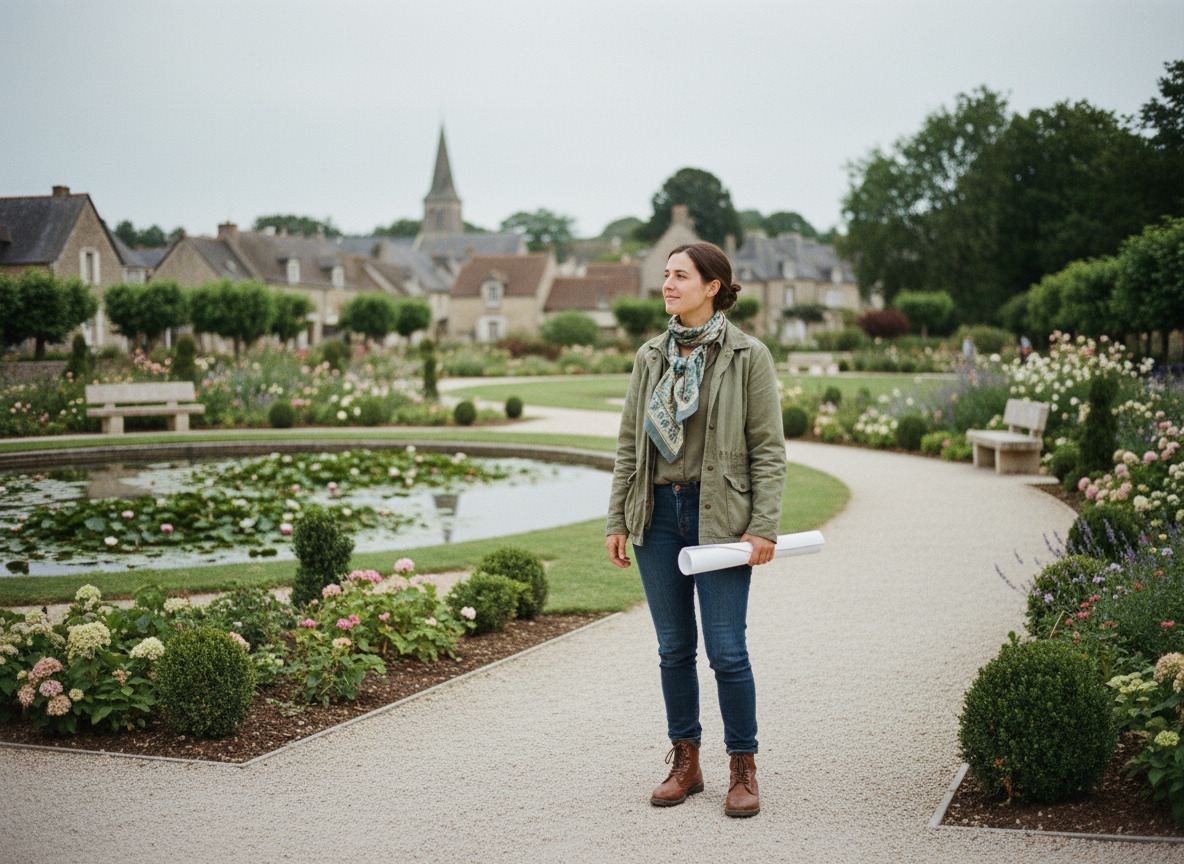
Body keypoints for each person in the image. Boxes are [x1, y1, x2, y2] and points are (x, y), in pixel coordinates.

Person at [605, 241, 787, 818]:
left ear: (712, 287)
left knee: (727, 651)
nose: (667, 284)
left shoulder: (748, 355)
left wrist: (763, 526)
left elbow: (768, 449)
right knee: (674, 649)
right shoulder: (650, 356)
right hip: (656, 516)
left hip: (721, 519)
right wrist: (617, 518)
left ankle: (743, 767)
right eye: (665, 274)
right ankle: (686, 761)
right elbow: (629, 444)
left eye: (680, 275)